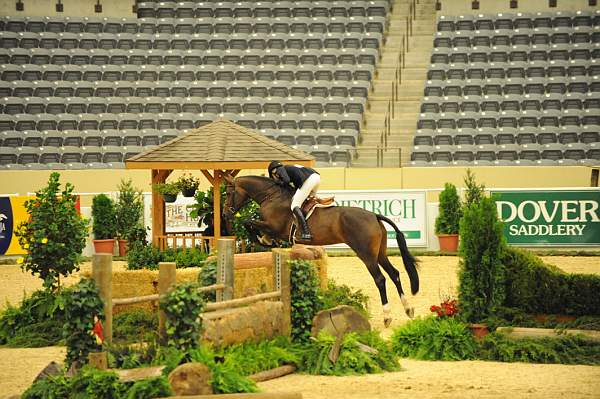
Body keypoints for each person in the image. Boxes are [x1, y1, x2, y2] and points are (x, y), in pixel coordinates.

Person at [268, 160, 320, 240]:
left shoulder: (279, 169)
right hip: (316, 177)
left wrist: (278, 182)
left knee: (295, 205)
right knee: (307, 202)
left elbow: (286, 180)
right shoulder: (290, 167)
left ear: (273, 170)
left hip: (309, 180)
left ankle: (306, 233)